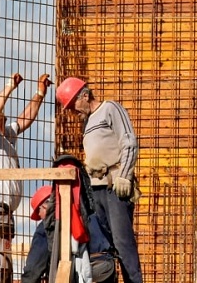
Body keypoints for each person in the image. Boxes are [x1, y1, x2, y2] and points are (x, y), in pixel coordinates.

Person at [56, 77, 143, 283]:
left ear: (85, 95)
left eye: (73, 104)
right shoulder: (87, 123)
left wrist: (125, 176)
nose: (73, 111)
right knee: (104, 248)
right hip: (96, 190)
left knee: (123, 243)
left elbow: (129, 142)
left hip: (115, 187)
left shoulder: (110, 109)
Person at [0, 71, 52, 277]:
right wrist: (9, 86)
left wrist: (39, 93)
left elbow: (24, 119)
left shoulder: (6, 135)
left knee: (3, 269)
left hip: (0, 211)